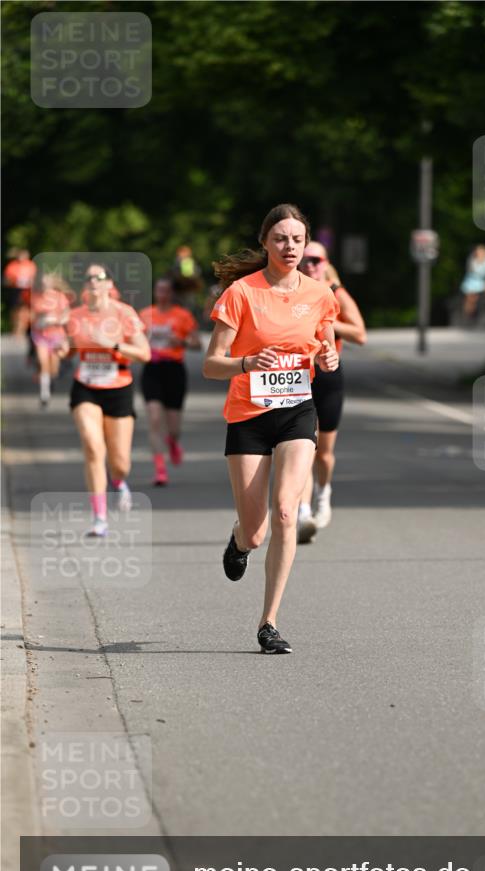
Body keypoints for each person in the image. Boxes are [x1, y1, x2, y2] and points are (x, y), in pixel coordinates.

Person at [203, 203, 339, 654]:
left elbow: (327, 348)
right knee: (257, 529)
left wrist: (328, 359)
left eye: (298, 239)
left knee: (286, 512)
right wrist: (245, 362)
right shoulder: (242, 293)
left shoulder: (320, 294)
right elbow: (210, 364)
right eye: (281, 238)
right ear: (265, 242)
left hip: (298, 409)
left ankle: (269, 622)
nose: (290, 246)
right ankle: (239, 541)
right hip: (248, 414)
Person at [57, 264, 150, 536]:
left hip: (118, 385)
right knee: (92, 447)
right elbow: (67, 347)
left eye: (99, 277)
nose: (93, 282)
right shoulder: (76, 315)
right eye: (89, 278)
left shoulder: (124, 313)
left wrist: (113, 344)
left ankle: (118, 481)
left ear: (109, 283)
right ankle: (100, 518)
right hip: (85, 385)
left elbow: (144, 353)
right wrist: (63, 349)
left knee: (120, 462)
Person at [296, 243, 366, 543]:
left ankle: (323, 494)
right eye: (305, 259)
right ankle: (301, 512)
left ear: (324, 263)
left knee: (323, 453)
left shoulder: (335, 293)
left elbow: (360, 334)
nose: (310, 264)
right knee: (301, 448)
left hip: (327, 376)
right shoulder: (290, 290)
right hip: (297, 375)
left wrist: (325, 320)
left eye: (316, 260)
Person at [139, 278, 201, 485]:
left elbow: (197, 343)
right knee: (155, 419)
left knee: (173, 428)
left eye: (166, 290)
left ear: (172, 293)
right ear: (155, 292)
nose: (162, 294)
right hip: (152, 369)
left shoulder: (182, 316)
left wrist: (181, 341)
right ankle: (160, 469)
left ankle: (173, 442)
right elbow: (134, 340)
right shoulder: (145, 315)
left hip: (174, 370)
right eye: (159, 289)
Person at [29, 271, 71, 407]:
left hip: (56, 335)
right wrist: (38, 322)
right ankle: (44, 394)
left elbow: (66, 316)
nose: (44, 284)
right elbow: (32, 317)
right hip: (40, 335)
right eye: (42, 281)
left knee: (54, 367)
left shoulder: (60, 297)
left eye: (47, 281)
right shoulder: (35, 297)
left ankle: (50, 381)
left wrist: (56, 320)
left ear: (52, 283)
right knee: (43, 363)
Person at [460, 244, 485, 319]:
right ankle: (468, 314)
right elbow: (473, 272)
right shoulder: (472, 260)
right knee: (471, 297)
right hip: (472, 282)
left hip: (483, 282)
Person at [3, 249, 36, 338]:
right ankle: (15, 330)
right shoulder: (12, 266)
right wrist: (14, 281)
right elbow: (6, 280)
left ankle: (24, 330)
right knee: (15, 311)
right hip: (16, 290)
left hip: (27, 291)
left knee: (26, 311)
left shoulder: (31, 265)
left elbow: (35, 279)